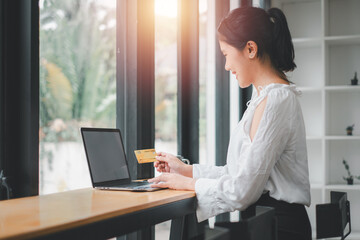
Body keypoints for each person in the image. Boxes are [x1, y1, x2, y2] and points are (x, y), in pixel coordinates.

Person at [148, 6, 311, 240]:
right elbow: (239, 174)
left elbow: (242, 190)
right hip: (268, 223)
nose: (226, 66)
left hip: (280, 230)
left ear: (251, 49)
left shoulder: (277, 101)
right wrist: (185, 170)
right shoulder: (263, 98)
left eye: (226, 54)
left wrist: (186, 183)